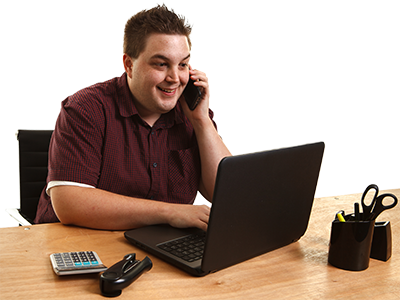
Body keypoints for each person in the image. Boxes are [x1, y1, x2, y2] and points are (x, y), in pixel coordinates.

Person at [34, 4, 231, 231]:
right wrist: (170, 211)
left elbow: (226, 194)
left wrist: (201, 122)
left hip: (160, 245)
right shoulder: (86, 109)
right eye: (161, 64)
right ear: (129, 64)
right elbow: (70, 203)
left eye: (183, 64)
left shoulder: (191, 112)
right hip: (77, 246)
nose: (175, 78)